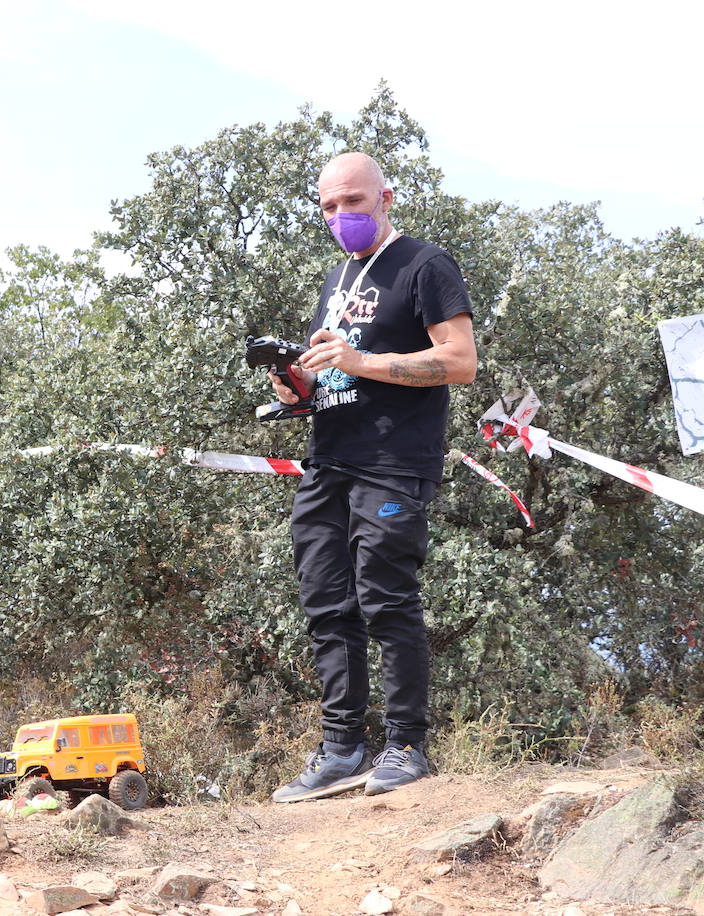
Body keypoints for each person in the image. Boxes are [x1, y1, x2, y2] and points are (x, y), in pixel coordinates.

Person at [268, 153, 477, 802]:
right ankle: (340, 751)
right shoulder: (337, 279)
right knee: (328, 608)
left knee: (387, 601)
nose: (341, 217)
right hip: (327, 461)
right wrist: (296, 385)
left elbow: (461, 361)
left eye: (353, 202)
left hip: (393, 464)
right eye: (329, 207)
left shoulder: (426, 265)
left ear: (385, 198)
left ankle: (407, 747)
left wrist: (362, 360)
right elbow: (336, 374)